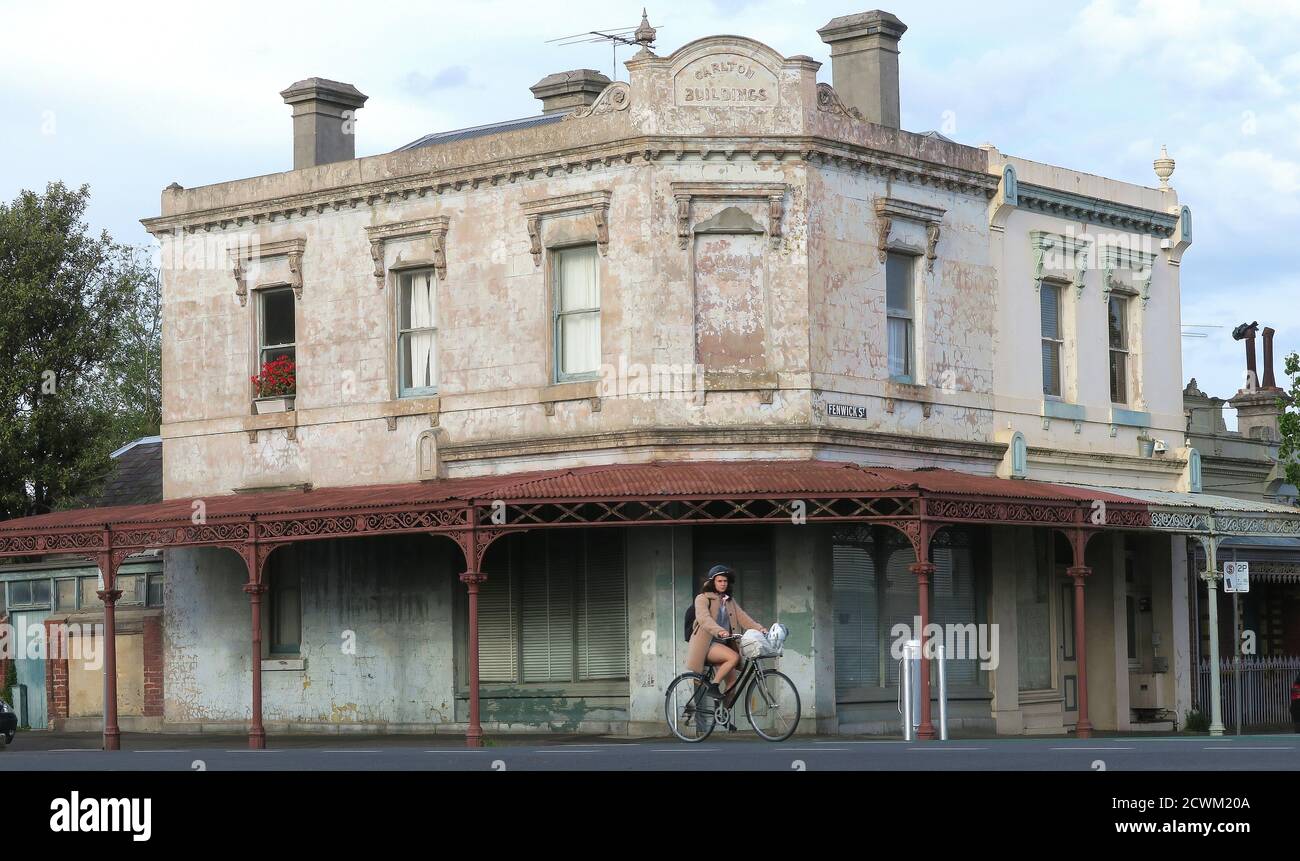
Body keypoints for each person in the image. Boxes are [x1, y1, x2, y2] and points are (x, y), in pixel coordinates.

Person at [685, 564, 767, 704]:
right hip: (706, 645)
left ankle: (722, 714)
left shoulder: (729, 601)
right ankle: (714, 686)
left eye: (725, 581)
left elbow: (743, 618)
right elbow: (704, 619)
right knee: (734, 657)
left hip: (721, 645)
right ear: (712, 582)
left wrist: (760, 629)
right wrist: (720, 631)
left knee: (732, 685)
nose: (723, 584)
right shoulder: (702, 598)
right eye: (720, 581)